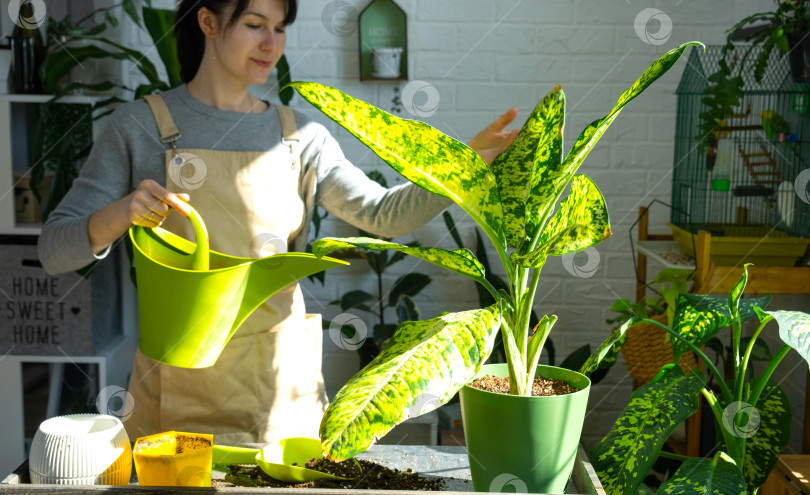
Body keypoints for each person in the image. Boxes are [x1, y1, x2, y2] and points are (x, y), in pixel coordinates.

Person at [38, 0, 519, 445]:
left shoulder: (300, 136)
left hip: (281, 394)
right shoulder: (140, 126)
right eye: (254, 25)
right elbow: (53, 250)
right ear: (208, 22)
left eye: (280, 28)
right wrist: (122, 212)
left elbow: (383, 214)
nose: (272, 44)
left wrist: (461, 166)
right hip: (176, 392)